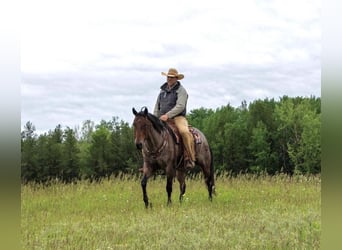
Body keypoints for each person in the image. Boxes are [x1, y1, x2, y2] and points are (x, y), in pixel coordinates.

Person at [153, 68, 195, 169]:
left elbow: (180, 106)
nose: (169, 79)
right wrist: (155, 118)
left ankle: (189, 157)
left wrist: (168, 115)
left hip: (178, 117)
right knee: (149, 132)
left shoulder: (181, 91)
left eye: (172, 77)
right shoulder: (162, 91)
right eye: (168, 77)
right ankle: (149, 160)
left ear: (176, 78)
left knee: (184, 132)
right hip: (162, 118)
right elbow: (157, 106)